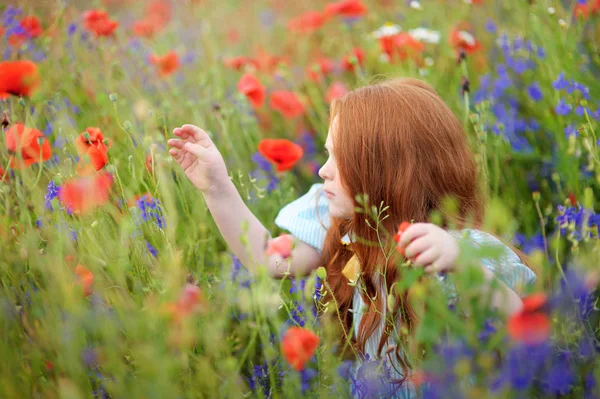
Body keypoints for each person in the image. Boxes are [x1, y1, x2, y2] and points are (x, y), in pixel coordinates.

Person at [167, 77, 536, 397]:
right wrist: (216, 187)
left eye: (339, 157)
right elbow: (268, 258)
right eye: (327, 154)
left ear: (385, 170)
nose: (323, 170)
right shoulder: (338, 222)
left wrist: (462, 264)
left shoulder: (460, 249)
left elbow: (531, 338)